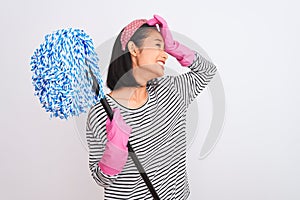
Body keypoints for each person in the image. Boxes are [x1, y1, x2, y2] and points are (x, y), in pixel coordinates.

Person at [86, 14, 217, 199]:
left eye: (166, 47)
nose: (164, 54)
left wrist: (175, 48)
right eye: (157, 45)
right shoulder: (102, 112)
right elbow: (101, 179)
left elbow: (207, 71)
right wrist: (114, 154)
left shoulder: (171, 91)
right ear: (133, 48)